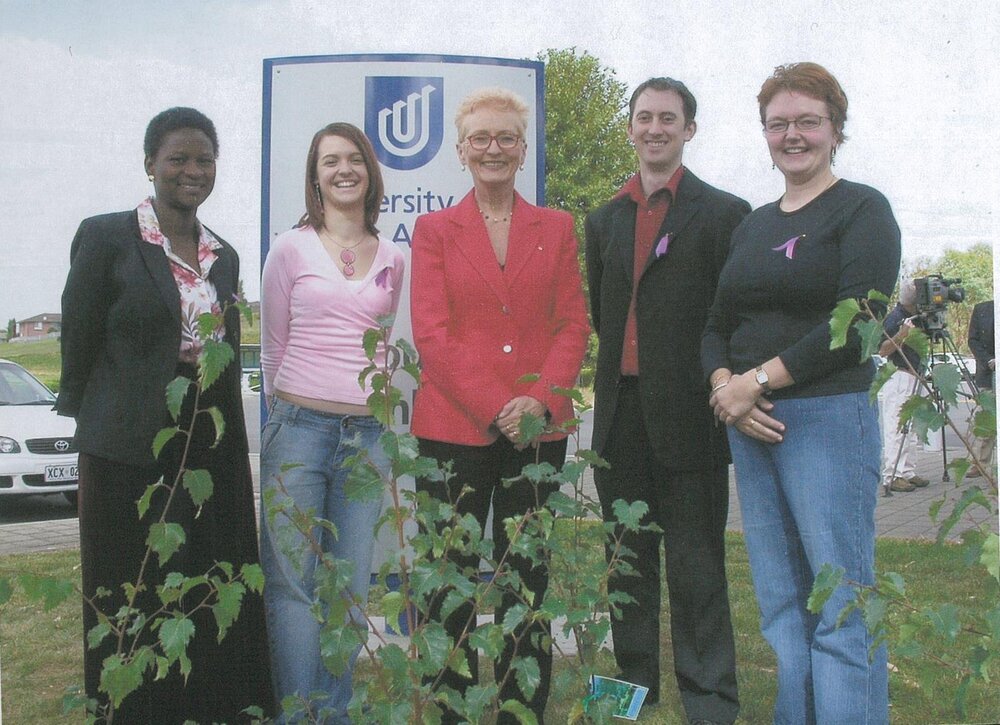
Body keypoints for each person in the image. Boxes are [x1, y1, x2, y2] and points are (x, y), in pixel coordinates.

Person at [56, 107, 274, 723]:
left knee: (206, 582)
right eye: (177, 157)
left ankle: (206, 707)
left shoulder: (223, 256)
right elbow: (79, 341)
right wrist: (93, 425)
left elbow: (224, 356)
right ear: (149, 162)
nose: (192, 170)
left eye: (204, 159)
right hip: (124, 449)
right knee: (129, 586)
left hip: (206, 446)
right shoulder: (107, 237)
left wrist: (228, 445)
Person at [702, 63, 900, 724]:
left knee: (840, 605)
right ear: (764, 133)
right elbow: (717, 324)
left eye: (807, 121)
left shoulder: (861, 209)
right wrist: (725, 388)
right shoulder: (753, 225)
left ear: (835, 129)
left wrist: (754, 380)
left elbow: (857, 324)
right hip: (751, 423)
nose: (793, 135)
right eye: (778, 123)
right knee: (784, 607)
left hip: (826, 420)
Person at [409, 87, 589, 723]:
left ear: (522, 148)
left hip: (540, 431)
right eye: (480, 138)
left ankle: (520, 711)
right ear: (460, 151)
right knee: (448, 583)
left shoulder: (559, 227)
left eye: (505, 137)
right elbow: (432, 333)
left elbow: (573, 323)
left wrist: (538, 402)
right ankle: (451, 709)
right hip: (453, 428)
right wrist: (497, 406)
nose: (493, 148)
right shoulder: (433, 231)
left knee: (525, 581)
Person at [585, 77, 748, 724]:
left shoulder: (725, 213)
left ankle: (709, 702)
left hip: (692, 420)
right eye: (644, 117)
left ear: (689, 130)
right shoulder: (602, 220)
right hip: (620, 420)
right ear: (629, 127)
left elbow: (728, 315)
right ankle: (630, 692)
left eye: (668, 118)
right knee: (625, 566)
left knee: (697, 567)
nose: (655, 128)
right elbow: (606, 312)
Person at [259, 122, 405, 722]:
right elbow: (272, 346)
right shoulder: (290, 249)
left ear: (370, 172)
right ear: (315, 177)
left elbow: (384, 344)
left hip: (365, 440)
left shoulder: (397, 255)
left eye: (354, 160)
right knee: (293, 586)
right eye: (329, 162)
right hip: (297, 430)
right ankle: (298, 717)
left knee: (346, 584)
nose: (343, 170)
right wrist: (286, 419)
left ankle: (334, 713)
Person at [878, 279, 931, 492]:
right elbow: (882, 349)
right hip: (899, 376)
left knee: (911, 427)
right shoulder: (896, 319)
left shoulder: (916, 318)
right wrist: (901, 336)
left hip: (914, 376)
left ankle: (907, 470)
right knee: (896, 426)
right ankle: (892, 475)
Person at [966, 299, 995, 476]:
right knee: (985, 421)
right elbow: (973, 340)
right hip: (988, 373)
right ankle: (979, 463)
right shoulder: (982, 308)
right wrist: (988, 360)